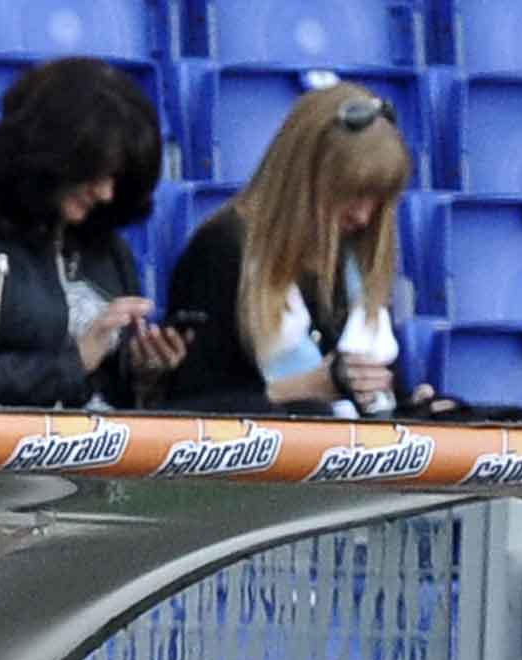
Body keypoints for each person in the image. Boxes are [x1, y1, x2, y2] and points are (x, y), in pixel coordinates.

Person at [0, 57, 181, 408]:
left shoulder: (110, 252)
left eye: (116, 177)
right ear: (52, 156)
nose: (106, 193)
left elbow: (115, 393)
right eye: (95, 172)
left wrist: (145, 376)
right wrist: (73, 364)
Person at [161, 83, 429, 417]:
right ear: (304, 178)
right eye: (351, 193)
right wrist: (309, 387)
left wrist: (412, 405)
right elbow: (191, 412)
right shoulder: (222, 250)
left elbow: (376, 397)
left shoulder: (354, 261)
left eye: (378, 199)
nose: (363, 216)